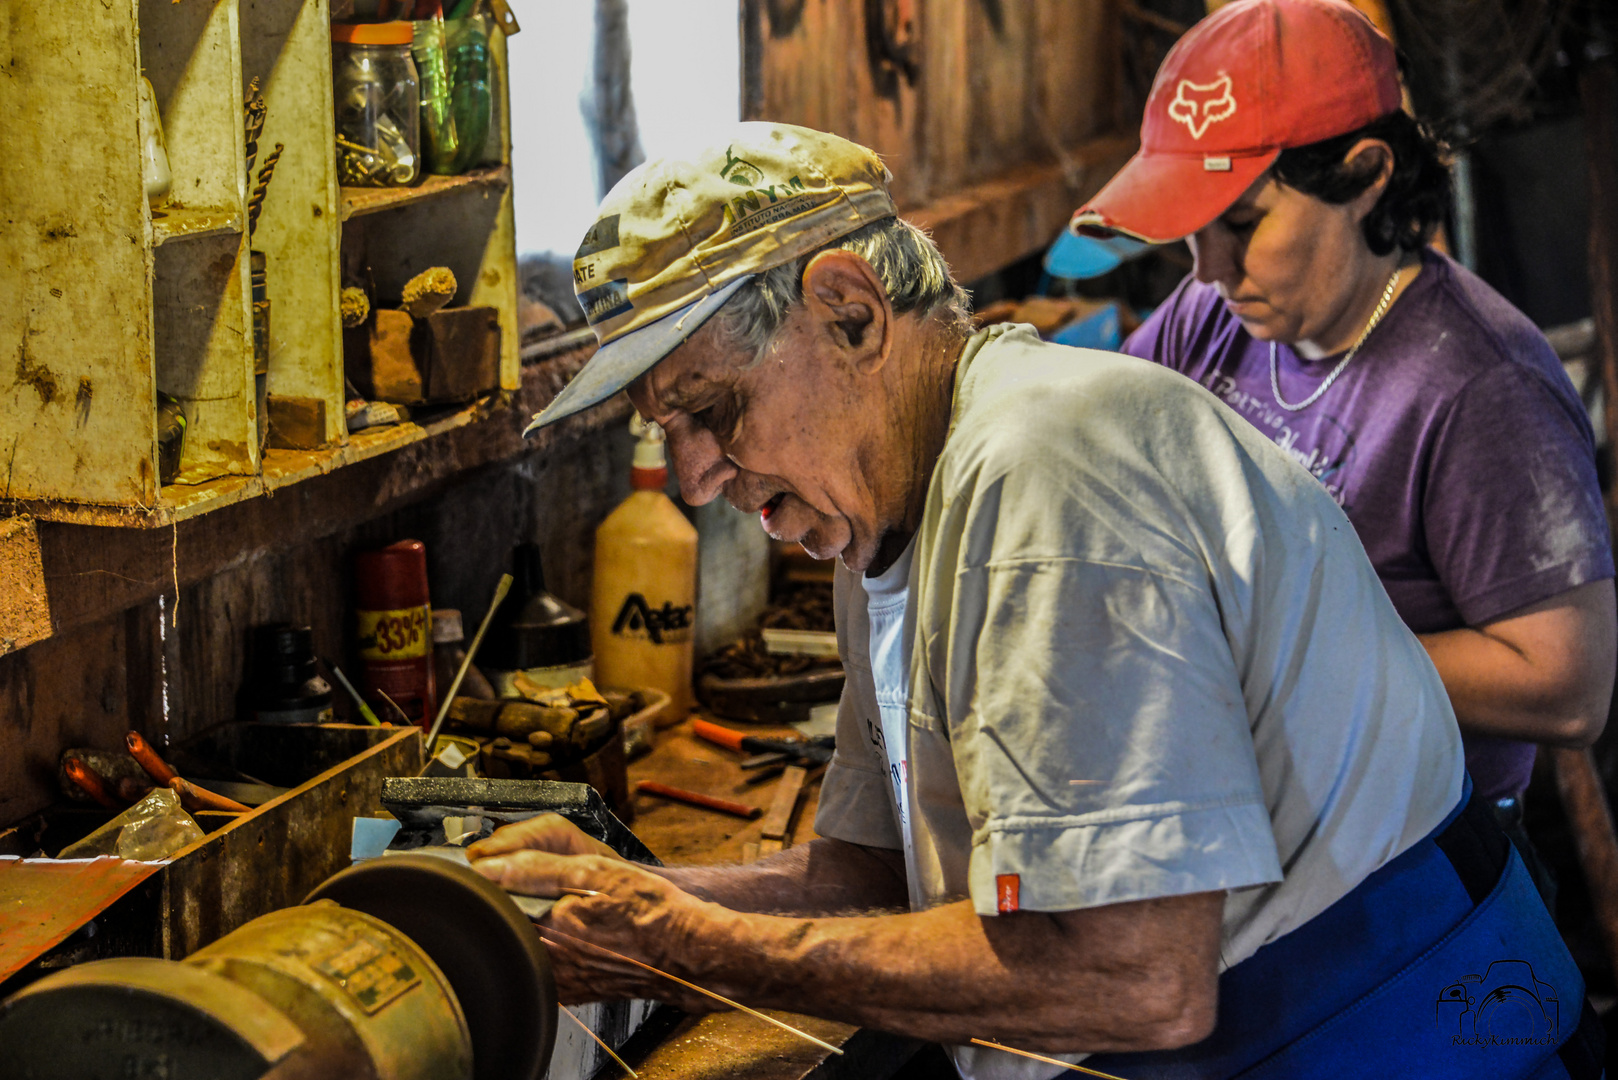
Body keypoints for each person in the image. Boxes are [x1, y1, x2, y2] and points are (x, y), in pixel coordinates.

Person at [479, 120, 1603, 1078]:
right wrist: (623, 896)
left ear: (853, 314)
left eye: (712, 409)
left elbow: (1135, 979)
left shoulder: (1046, 473)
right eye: (665, 429)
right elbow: (868, 879)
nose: (695, 477)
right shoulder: (884, 526)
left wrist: (680, 945)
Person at [1072, 0, 1616, 876]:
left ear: (1366, 175)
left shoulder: (1479, 385)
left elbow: (1565, 686)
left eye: (1243, 225)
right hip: (1252, 834)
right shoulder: (1210, 316)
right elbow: (1093, 460)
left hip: (1417, 868)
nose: (1208, 271)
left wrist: (1280, 651)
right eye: (1193, 232)